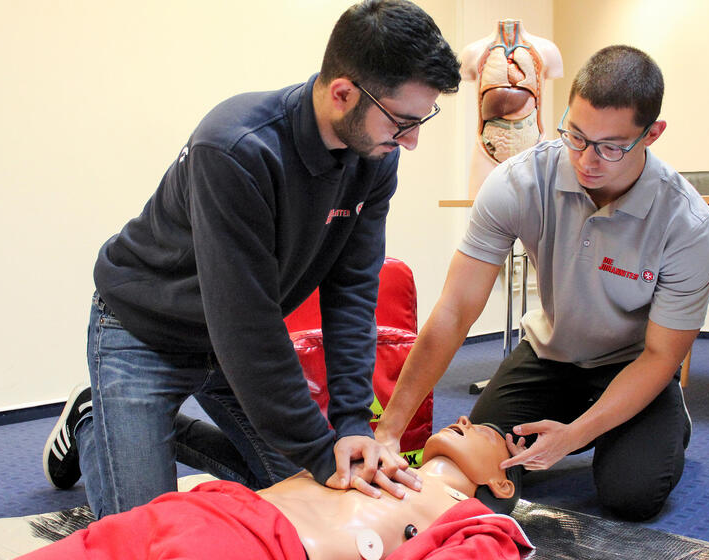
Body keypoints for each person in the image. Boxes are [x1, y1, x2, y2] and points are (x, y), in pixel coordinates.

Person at [42, 0, 461, 519]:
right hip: (145, 331)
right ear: (343, 93)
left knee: (312, 495)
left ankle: (146, 429)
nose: (412, 141)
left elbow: (352, 288)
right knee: (147, 534)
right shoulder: (236, 147)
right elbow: (245, 325)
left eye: (421, 121)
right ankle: (94, 418)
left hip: (236, 338)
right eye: (401, 121)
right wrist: (318, 450)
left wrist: (353, 424)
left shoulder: (376, 158)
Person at [375, 45, 709, 521]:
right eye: (576, 135)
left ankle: (658, 419)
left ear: (652, 134)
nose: (587, 160)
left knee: (631, 495)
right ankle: (579, 423)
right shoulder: (518, 183)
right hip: (550, 355)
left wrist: (574, 436)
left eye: (611, 146)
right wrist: (390, 428)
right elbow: (455, 309)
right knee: (473, 466)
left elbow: (663, 354)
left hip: (632, 364)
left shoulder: (688, 224)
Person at [23, 417, 531, 560]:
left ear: (501, 482)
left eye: (487, 432)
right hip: (207, 509)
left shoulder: (475, 520)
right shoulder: (376, 451)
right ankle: (101, 417)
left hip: (264, 548)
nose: (466, 417)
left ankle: (96, 420)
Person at [460, 19, 563, 198]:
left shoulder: (547, 50)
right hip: (488, 148)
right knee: (479, 207)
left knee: (539, 209)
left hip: (533, 145)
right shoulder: (472, 52)